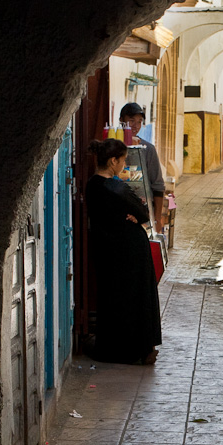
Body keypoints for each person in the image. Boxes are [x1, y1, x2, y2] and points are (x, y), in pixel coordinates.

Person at [86, 138, 162, 365]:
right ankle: (139, 349)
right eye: (122, 160)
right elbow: (142, 212)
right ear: (112, 161)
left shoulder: (92, 185)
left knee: (112, 298)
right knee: (136, 298)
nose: (124, 164)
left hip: (105, 250)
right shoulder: (117, 187)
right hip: (130, 250)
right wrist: (134, 216)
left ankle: (112, 349)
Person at [119, 102, 165, 232]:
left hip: (142, 213)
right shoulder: (112, 147)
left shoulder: (147, 149)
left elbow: (158, 186)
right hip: (118, 211)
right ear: (121, 120)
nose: (135, 125)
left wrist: (157, 219)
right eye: (131, 120)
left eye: (139, 122)